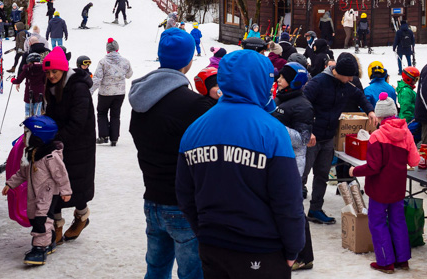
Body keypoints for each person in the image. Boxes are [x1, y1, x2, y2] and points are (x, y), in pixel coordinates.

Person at [176, 50, 305, 278]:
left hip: (213, 245)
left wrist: (203, 232)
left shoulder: (195, 129)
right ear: (260, 81)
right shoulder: (272, 131)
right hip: (262, 249)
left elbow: (185, 194)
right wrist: (294, 246)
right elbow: (287, 199)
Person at [129, 28, 213, 279]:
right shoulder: (195, 105)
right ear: (189, 60)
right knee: (193, 274)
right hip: (183, 204)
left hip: (152, 199)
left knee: (155, 270)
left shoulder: (141, 100)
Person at [303, 52, 377, 225]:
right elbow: (303, 106)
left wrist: (370, 111)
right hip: (311, 137)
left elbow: (360, 96)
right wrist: (307, 130)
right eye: (348, 76)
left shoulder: (346, 85)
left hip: (328, 137)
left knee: (322, 175)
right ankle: (291, 212)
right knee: (301, 176)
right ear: (338, 72)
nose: (350, 79)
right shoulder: (318, 82)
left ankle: (315, 209)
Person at [351, 92, 419, 273]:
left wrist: (354, 170)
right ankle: (402, 259)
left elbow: (373, 167)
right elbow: (414, 161)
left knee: (377, 222)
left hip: (379, 189)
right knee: (398, 221)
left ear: (379, 117)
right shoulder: (407, 134)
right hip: (397, 187)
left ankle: (385, 261)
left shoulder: (377, 136)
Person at [42, 47, 96, 244]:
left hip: (79, 144)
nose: (51, 75)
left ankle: (82, 217)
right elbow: (52, 113)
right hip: (59, 142)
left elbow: (78, 121)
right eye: (48, 72)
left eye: (54, 71)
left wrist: (57, 138)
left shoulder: (78, 88)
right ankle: (56, 225)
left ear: (64, 70)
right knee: (53, 184)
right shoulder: (52, 86)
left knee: (75, 186)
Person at [3, 115, 72, 266]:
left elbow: (61, 174)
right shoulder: (31, 153)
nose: (24, 137)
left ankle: (40, 248)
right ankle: (51, 239)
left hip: (47, 193)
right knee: (34, 217)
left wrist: (65, 191)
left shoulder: (50, 156)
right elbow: (22, 173)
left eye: (27, 133)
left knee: (41, 220)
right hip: (33, 193)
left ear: (38, 137)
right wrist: (11, 184)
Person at [272, 62, 314, 271]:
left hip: (293, 164)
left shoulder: (303, 105)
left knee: (295, 211)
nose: (278, 80)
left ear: (294, 81)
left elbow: (301, 139)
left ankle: (304, 257)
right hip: (279, 161)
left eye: (283, 77)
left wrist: (272, 125)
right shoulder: (283, 98)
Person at [91, 38, 133, 146]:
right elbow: (129, 75)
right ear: (117, 49)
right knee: (115, 114)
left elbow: (97, 78)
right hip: (119, 93)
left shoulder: (103, 62)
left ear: (107, 50)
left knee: (102, 113)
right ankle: (114, 138)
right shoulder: (125, 61)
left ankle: (103, 135)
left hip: (105, 93)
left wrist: (89, 91)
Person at [12, 52, 47, 117]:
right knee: (37, 109)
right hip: (40, 91)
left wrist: (13, 80)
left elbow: (19, 80)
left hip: (29, 91)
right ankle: (37, 121)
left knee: (28, 109)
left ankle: (28, 120)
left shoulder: (27, 69)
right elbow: (45, 81)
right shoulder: (43, 69)